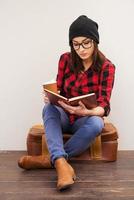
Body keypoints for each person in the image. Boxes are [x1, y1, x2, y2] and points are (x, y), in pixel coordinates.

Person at [18, 15, 115, 191]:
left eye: (86, 43)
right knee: (48, 107)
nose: (81, 49)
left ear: (95, 41)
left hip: (83, 120)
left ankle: (53, 160)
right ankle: (61, 162)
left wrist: (87, 112)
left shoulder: (107, 67)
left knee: (96, 123)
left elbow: (104, 105)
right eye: (76, 44)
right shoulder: (65, 59)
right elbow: (60, 89)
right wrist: (52, 95)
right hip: (64, 115)